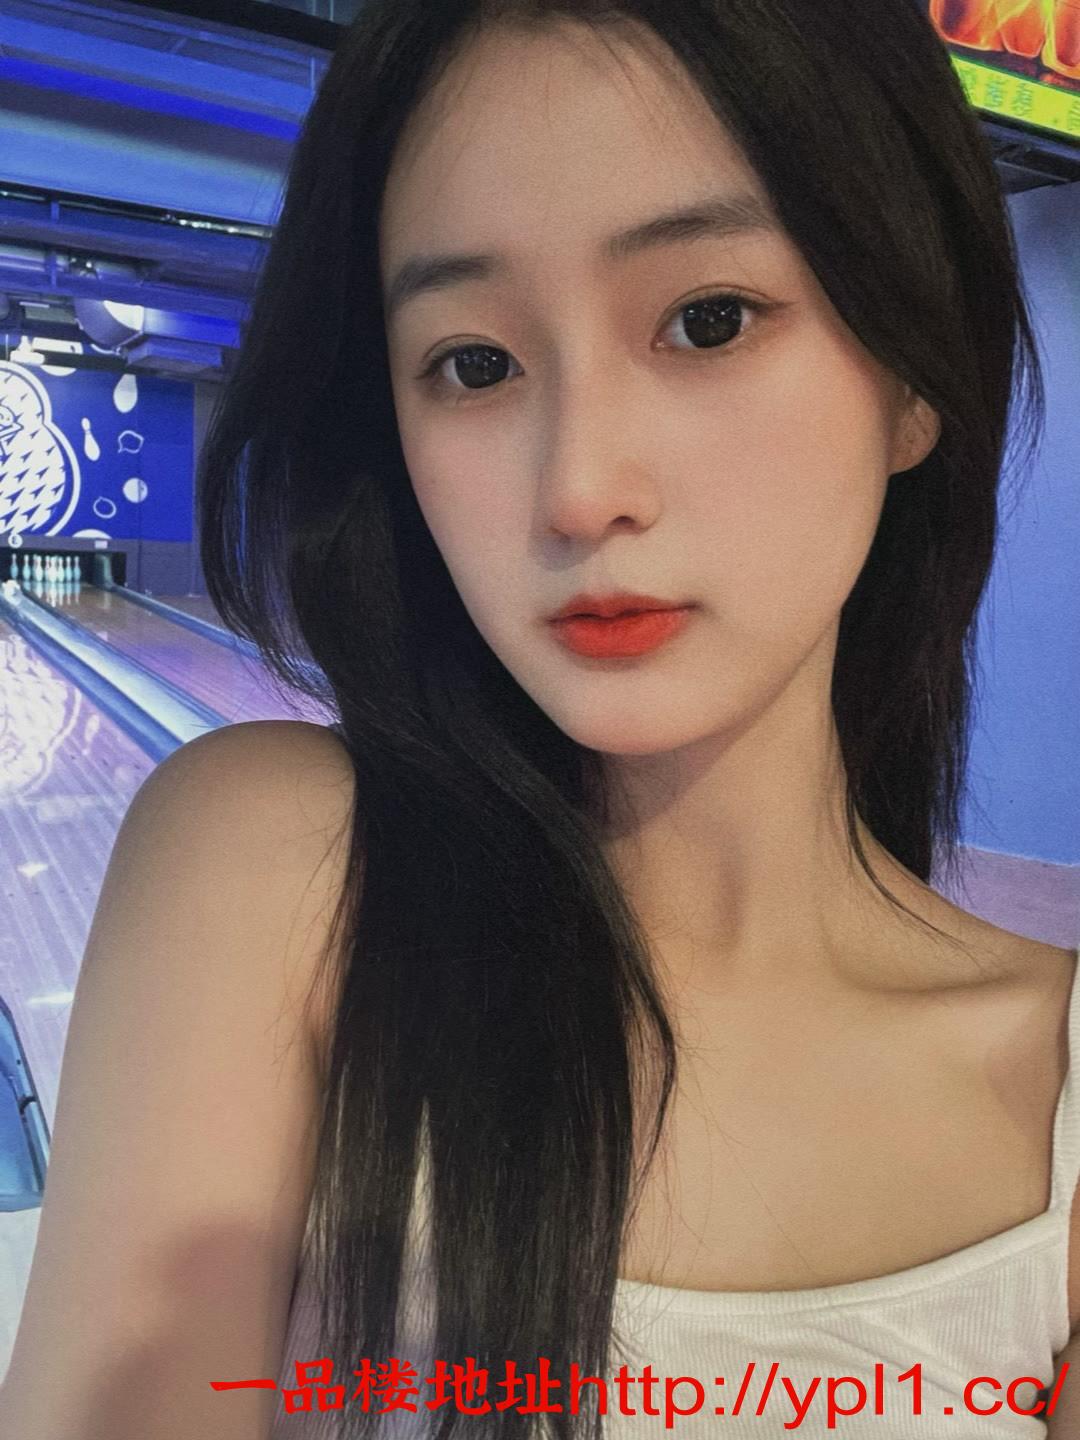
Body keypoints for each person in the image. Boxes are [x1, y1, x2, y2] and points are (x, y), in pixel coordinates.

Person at [2, 1, 1078, 1436]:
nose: (578, 490)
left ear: (913, 382)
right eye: (474, 364)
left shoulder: (1060, 1093)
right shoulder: (278, 869)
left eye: (708, 320)